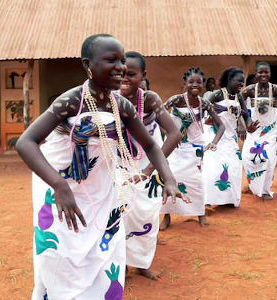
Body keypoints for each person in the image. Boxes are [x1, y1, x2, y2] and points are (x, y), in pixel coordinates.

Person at [16, 34, 181, 299]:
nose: (120, 67)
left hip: (102, 187)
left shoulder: (122, 106)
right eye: (111, 60)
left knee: (104, 251)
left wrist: (168, 177)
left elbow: (151, 146)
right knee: (61, 251)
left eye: (122, 60)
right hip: (59, 185)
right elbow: (26, 142)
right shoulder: (70, 101)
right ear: (87, 64)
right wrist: (59, 186)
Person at [119, 51, 182, 280]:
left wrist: (149, 170)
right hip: (118, 163)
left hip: (149, 163)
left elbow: (174, 134)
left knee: (147, 213)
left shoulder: (149, 99)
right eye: (121, 73)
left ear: (144, 75)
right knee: (120, 214)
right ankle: (122, 264)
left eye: (132, 74)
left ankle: (142, 263)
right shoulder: (110, 96)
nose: (125, 78)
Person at [160, 67, 225, 230]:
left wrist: (214, 142)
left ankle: (200, 213)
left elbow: (221, 125)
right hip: (175, 148)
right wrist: (168, 134)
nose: (195, 84)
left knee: (196, 181)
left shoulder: (205, 103)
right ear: (185, 84)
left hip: (195, 149)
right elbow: (157, 115)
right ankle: (167, 216)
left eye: (199, 82)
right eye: (191, 82)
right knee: (171, 178)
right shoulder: (176, 100)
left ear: (203, 85)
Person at [241, 62, 277, 200]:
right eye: (260, 72)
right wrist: (243, 125)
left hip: (272, 130)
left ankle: (265, 190)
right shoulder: (249, 90)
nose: (263, 75)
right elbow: (238, 105)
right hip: (254, 130)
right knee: (248, 157)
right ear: (256, 74)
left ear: (270, 74)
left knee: (268, 158)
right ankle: (252, 185)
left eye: (266, 72)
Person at [203, 67, 258, 209]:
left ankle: (228, 200)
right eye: (238, 81)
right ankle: (207, 201)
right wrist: (208, 118)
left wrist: (249, 125)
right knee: (213, 167)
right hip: (214, 135)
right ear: (229, 80)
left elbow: (246, 115)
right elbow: (203, 110)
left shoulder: (239, 97)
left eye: (243, 82)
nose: (241, 84)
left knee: (233, 167)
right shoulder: (216, 95)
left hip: (230, 138)